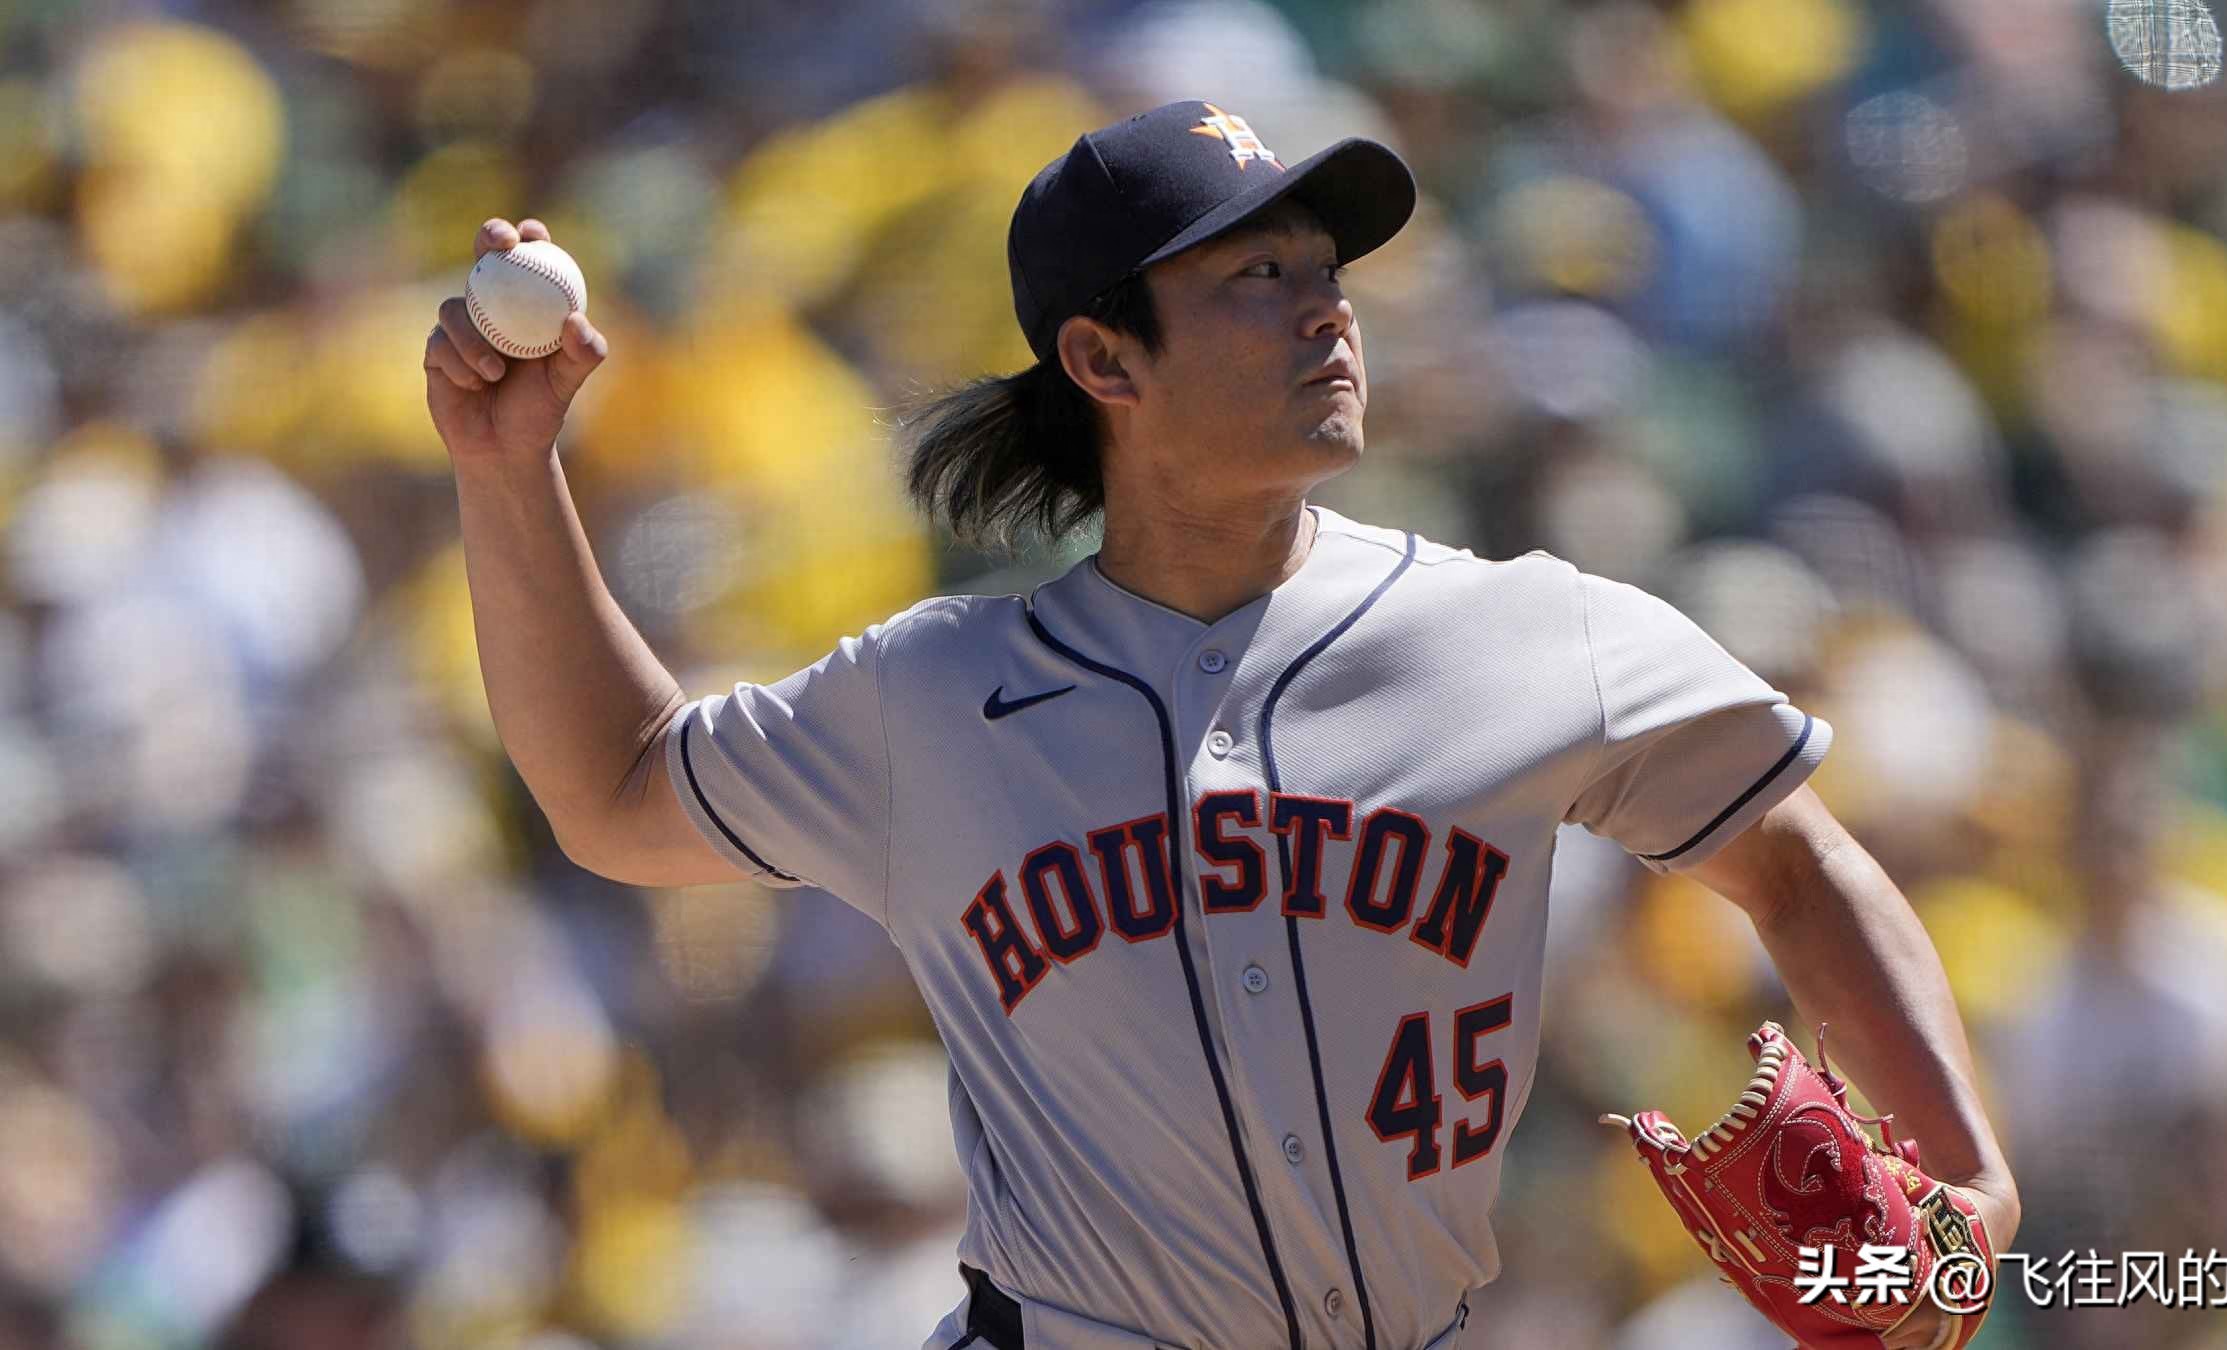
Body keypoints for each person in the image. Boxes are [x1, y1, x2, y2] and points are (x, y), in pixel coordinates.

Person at [423, 100, 2018, 1350]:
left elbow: (1797, 865)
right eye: (1257, 276)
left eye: (1327, 272)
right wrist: (511, 474)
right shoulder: (936, 695)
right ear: (1103, 356)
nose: (1326, 312)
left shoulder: (1532, 637)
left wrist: (1964, 1168)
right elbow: (617, 789)